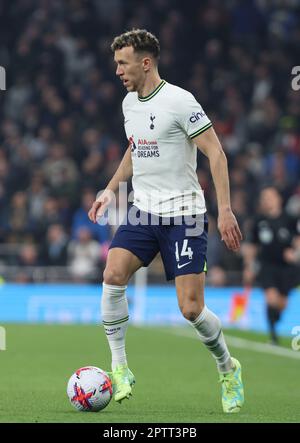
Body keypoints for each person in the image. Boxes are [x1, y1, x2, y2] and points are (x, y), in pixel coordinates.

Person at [88, 29, 244, 413]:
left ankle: (228, 367)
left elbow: (217, 153)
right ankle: (120, 368)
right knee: (112, 275)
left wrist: (224, 209)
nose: (118, 71)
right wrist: (110, 189)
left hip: (185, 214)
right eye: (116, 64)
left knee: (190, 309)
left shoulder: (180, 101)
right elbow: (135, 149)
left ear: (145, 63)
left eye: (123, 63)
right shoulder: (129, 104)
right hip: (143, 210)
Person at [243, 186, 300, 345]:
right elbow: (251, 246)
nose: (266, 200)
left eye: (270, 197)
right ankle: (273, 336)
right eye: (264, 197)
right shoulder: (258, 221)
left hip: (287, 268)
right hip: (267, 266)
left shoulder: (290, 219)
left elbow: (297, 240)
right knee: (272, 299)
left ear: (278, 199)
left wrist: (294, 253)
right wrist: (249, 266)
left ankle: (275, 320)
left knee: (282, 304)